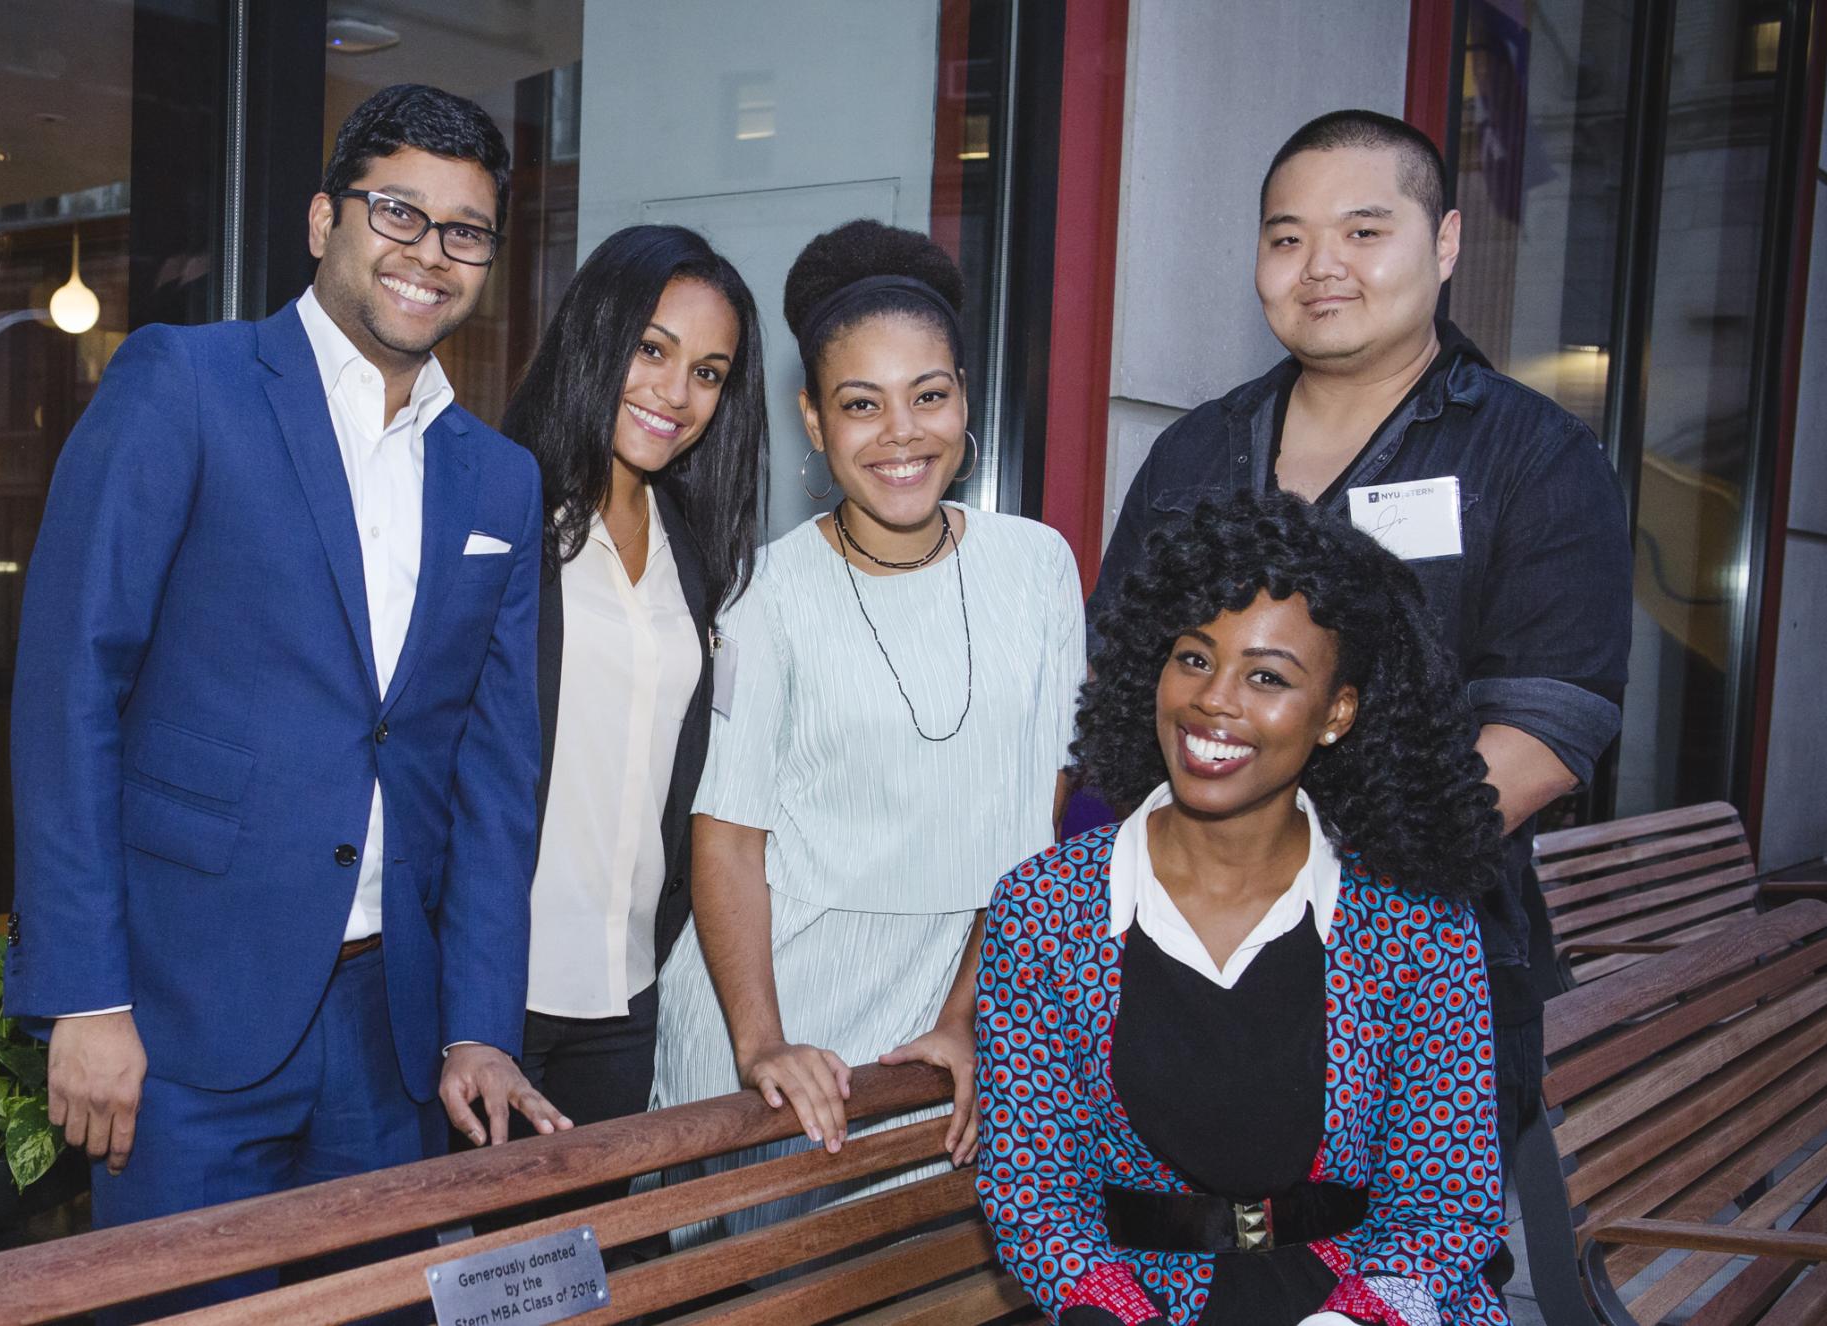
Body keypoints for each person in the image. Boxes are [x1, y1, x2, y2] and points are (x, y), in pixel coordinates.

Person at [6, 83, 562, 1310]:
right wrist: (85, 995)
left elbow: (494, 778)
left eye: (465, 231)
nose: (430, 253)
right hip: (179, 1010)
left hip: (391, 1033)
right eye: (398, 213)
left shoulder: (500, 480)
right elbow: (67, 691)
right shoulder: (186, 383)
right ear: (324, 221)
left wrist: (479, 1023)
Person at [1089, 110, 1629, 1159]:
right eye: (1287, 237)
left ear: (1447, 242)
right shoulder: (1197, 451)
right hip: (1173, 963)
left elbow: (1549, 730)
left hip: (1416, 975)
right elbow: (1121, 682)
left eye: (1362, 231)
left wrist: (1301, 879)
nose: (1319, 266)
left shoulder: (1534, 457)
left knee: (1384, 1282)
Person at [980, 490, 1507, 1326]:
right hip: (1139, 1307)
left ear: (1336, 713)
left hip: (1361, 1304)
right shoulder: (1044, 907)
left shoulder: (1414, 919)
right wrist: (1120, 1313)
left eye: (1266, 677)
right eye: (1193, 658)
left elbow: (1446, 1205)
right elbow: (1033, 1193)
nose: (1213, 700)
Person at [650, 220, 1084, 1237]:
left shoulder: (1039, 570)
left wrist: (971, 1016)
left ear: (966, 399)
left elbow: (1032, 832)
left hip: (932, 1018)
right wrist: (761, 1044)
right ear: (812, 419)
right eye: (861, 404)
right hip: (774, 1009)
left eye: (929, 396)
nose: (902, 434)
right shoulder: (765, 593)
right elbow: (729, 835)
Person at [496, 224, 766, 1138]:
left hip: (624, 994)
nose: (675, 393)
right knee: (460, 1276)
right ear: (598, 337)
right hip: (494, 999)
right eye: (653, 350)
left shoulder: (696, 552)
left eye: (708, 371)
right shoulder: (505, 511)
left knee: (592, 1272)